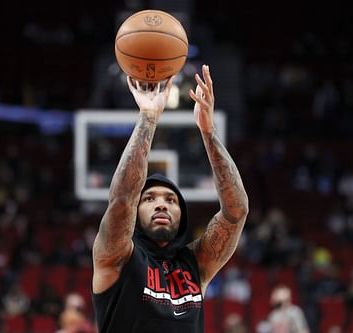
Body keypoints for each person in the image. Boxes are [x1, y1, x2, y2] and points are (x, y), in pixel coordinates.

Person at [91, 64, 249, 333]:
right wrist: (149, 117)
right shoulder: (118, 255)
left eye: (172, 200)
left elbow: (236, 212)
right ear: (136, 213)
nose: (162, 203)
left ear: (182, 214)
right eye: (149, 198)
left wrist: (209, 133)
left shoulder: (195, 263)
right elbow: (122, 198)